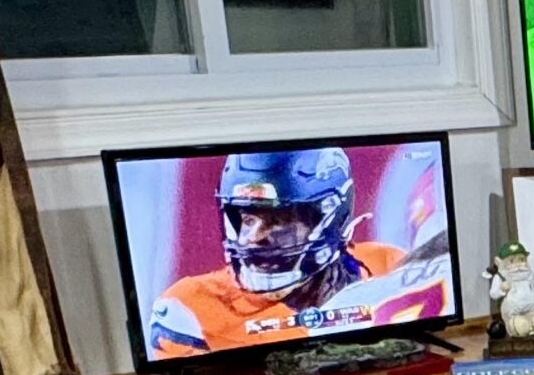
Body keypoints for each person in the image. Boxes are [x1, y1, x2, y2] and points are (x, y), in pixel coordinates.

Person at [148, 148, 406, 359]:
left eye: (278, 219)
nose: (252, 238)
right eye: (247, 219)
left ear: (331, 219)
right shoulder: (192, 309)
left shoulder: (392, 268)